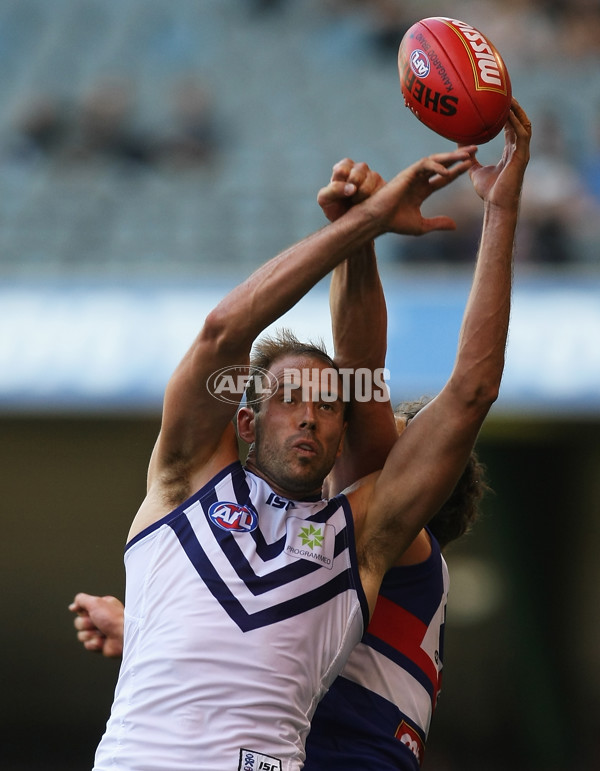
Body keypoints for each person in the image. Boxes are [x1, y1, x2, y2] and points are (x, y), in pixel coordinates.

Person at [72, 99, 530, 771]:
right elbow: (224, 333)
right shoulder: (182, 485)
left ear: (346, 440)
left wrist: (499, 211)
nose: (313, 412)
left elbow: (462, 392)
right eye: (290, 397)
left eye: (330, 405)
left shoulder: (367, 534)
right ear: (247, 421)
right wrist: (361, 226)